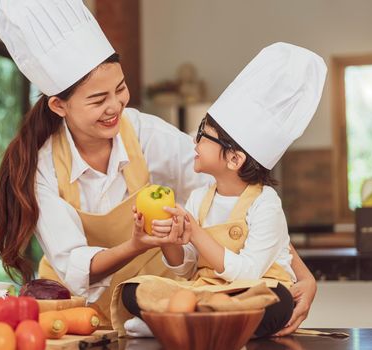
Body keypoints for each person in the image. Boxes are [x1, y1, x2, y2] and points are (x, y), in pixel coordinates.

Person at [0, 0, 317, 332]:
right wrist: (135, 244)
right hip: (74, 314)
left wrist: (303, 276)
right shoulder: (44, 166)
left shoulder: (143, 134)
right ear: (60, 106)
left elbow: (236, 191)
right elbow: (74, 267)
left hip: (152, 309)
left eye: (119, 89)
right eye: (97, 99)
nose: (115, 105)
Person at [115, 42, 327, 337]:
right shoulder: (200, 198)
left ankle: (172, 321)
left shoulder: (265, 204)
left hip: (252, 290)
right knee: (134, 290)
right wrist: (168, 241)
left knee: (278, 301)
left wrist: (196, 233)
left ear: (234, 158)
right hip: (205, 290)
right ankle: (200, 320)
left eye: (203, 135)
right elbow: (186, 270)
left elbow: (250, 273)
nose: (194, 142)